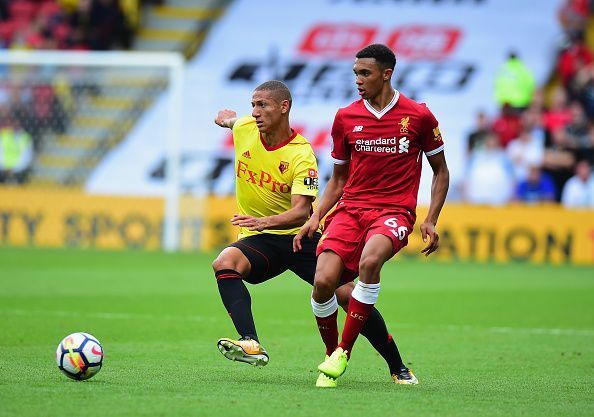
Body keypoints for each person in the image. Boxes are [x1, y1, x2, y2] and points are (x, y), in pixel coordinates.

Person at [211, 80, 413, 388]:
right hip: (264, 239)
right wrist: (225, 117)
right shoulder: (245, 128)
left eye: (262, 105)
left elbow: (300, 212)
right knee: (225, 262)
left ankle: (397, 366)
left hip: (299, 236)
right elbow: (230, 119)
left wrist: (262, 222)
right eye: (252, 105)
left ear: (284, 107)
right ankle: (250, 341)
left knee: (348, 294)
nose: (255, 112)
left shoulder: (301, 154)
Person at [294, 44, 450, 387]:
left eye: (365, 73)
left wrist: (430, 218)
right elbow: (338, 179)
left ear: (386, 74)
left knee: (369, 262)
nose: (358, 80)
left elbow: (440, 171)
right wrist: (315, 215)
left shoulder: (419, 116)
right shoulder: (345, 117)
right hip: (350, 210)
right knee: (323, 283)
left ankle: (342, 355)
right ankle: (331, 352)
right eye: (355, 74)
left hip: (393, 211)